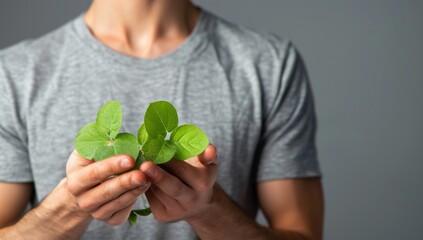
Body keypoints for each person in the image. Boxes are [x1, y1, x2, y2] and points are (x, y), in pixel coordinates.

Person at [0, 0, 324, 239]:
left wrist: (209, 209)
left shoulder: (269, 64)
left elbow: (302, 234)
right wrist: (67, 209)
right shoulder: (14, 75)